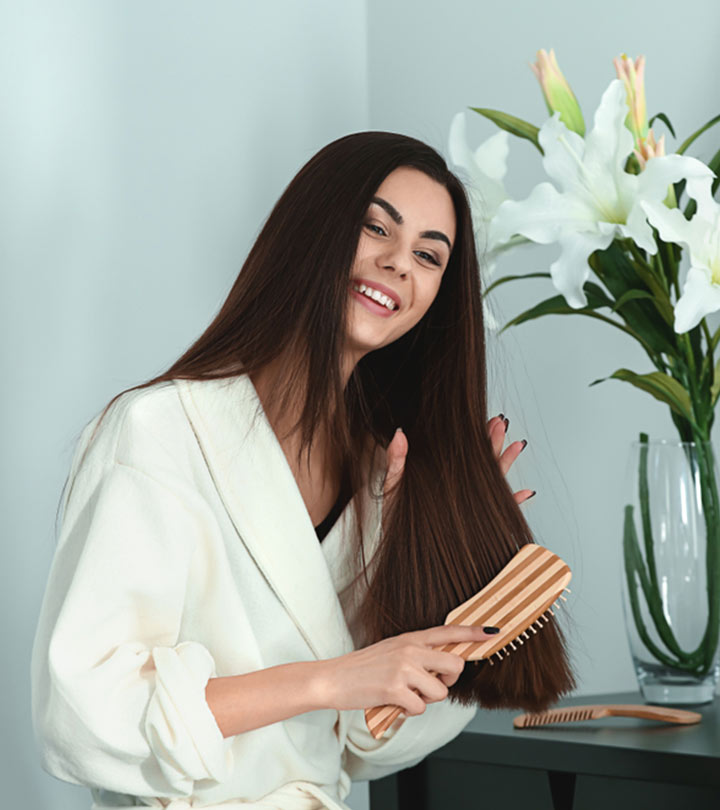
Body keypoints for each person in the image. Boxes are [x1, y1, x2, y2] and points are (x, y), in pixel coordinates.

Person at [31, 131, 575, 810]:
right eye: (376, 226)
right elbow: (84, 717)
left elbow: (365, 744)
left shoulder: (385, 472)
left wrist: (449, 559)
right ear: (313, 229)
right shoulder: (159, 432)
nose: (398, 264)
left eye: (429, 256)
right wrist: (331, 679)